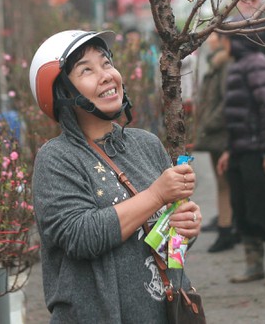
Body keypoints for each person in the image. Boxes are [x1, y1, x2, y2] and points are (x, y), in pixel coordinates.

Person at [28, 29, 202, 323]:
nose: (106, 75)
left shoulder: (146, 144)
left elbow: (167, 247)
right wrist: (156, 195)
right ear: (62, 93)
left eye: (106, 63)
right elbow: (80, 236)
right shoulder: (56, 158)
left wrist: (184, 229)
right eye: (87, 70)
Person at [217, 30, 265, 286]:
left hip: (259, 153)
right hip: (240, 151)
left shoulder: (258, 65)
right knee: (242, 208)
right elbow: (237, 117)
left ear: (235, 41)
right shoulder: (238, 66)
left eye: (223, 39)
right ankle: (254, 265)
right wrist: (229, 150)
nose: (221, 44)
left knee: (262, 210)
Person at [193, 32, 235, 253]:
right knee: (224, 183)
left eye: (214, 35)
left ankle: (226, 230)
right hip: (216, 134)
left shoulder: (226, 63)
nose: (209, 39)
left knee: (225, 184)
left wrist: (209, 123)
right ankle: (225, 225)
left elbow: (228, 102)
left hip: (221, 134)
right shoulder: (218, 61)